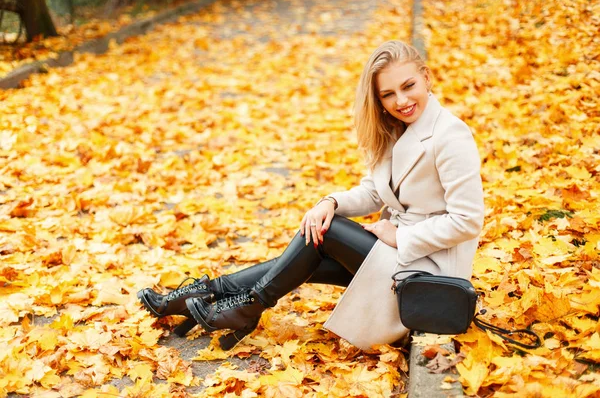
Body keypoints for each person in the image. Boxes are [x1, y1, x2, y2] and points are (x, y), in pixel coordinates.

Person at [137, 40, 484, 351]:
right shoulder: (395, 132)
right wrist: (329, 202)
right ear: (377, 98)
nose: (402, 101)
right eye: (388, 94)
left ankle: (235, 302)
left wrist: (400, 234)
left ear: (426, 77)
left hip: (428, 270)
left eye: (409, 86)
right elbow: (373, 193)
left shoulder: (449, 135)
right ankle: (216, 296)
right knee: (314, 239)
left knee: (326, 233)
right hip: (399, 260)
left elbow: (467, 221)